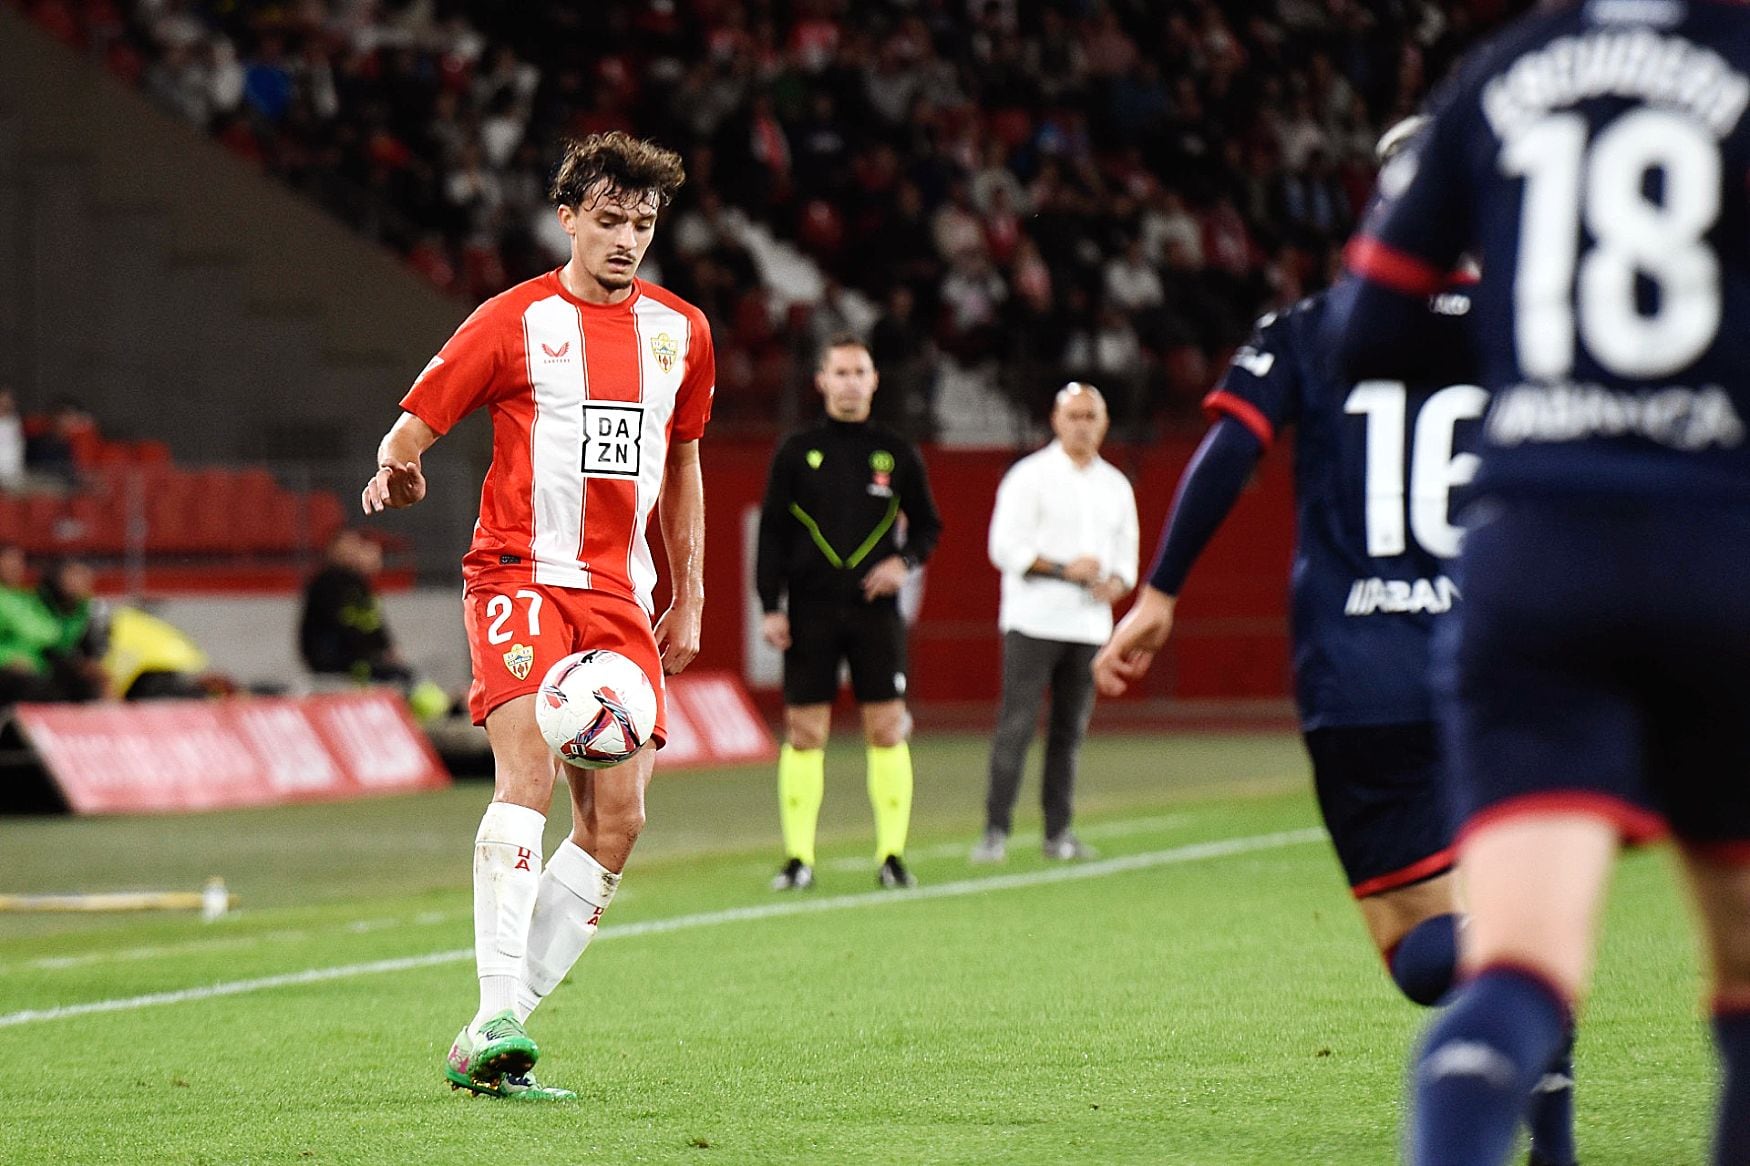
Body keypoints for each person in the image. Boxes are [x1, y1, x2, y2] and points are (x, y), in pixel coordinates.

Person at [1095, 120, 1577, 1166]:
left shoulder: (1311, 328)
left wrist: (1161, 591)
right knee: (1487, 920)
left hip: (1357, 677)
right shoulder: (1529, 331)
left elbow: (1228, 449)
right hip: (1493, 664)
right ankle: (1538, 1036)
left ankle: (1541, 1107)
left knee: (1421, 952)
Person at [1322, 5, 1750, 1162]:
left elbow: (1364, 330)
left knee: (1512, 970)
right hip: (1720, 547)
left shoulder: (1503, 73)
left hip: (1535, 552)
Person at [361, 131, 711, 1103]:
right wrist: (399, 459)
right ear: (567, 218)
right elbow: (416, 417)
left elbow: (682, 463)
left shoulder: (682, 331)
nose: (626, 239)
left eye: (642, 223)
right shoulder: (513, 320)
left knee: (621, 818)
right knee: (530, 770)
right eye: (608, 220)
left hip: (620, 597)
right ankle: (498, 1010)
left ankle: (490, 1031)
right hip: (518, 574)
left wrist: (690, 591)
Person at [755, 334, 943, 892]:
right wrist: (770, 606)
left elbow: (929, 526)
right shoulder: (795, 452)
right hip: (809, 611)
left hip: (874, 613)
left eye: (860, 371)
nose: (850, 382)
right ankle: (798, 858)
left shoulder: (896, 453)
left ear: (874, 380)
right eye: (840, 372)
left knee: (886, 728)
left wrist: (904, 563)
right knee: (804, 730)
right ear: (821, 381)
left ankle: (891, 856)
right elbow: (770, 535)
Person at [974, 383, 1136, 863]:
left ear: (1104, 423)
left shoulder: (1115, 485)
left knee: (1069, 731)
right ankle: (994, 831)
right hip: (1034, 619)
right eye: (1075, 415)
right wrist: (1067, 570)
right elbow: (1004, 548)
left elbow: (1126, 556)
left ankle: (1058, 832)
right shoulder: (1029, 476)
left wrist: (1117, 584)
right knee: (1017, 725)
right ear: (1056, 419)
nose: (1083, 424)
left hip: (1089, 625)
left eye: (1091, 416)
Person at [298, 528, 412, 685]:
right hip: (336, 660)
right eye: (346, 546)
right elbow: (345, 624)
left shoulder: (358, 584)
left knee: (403, 675)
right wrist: (375, 653)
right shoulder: (327, 582)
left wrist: (386, 648)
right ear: (333, 550)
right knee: (401, 677)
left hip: (360, 658)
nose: (351, 551)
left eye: (354, 546)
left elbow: (371, 622)